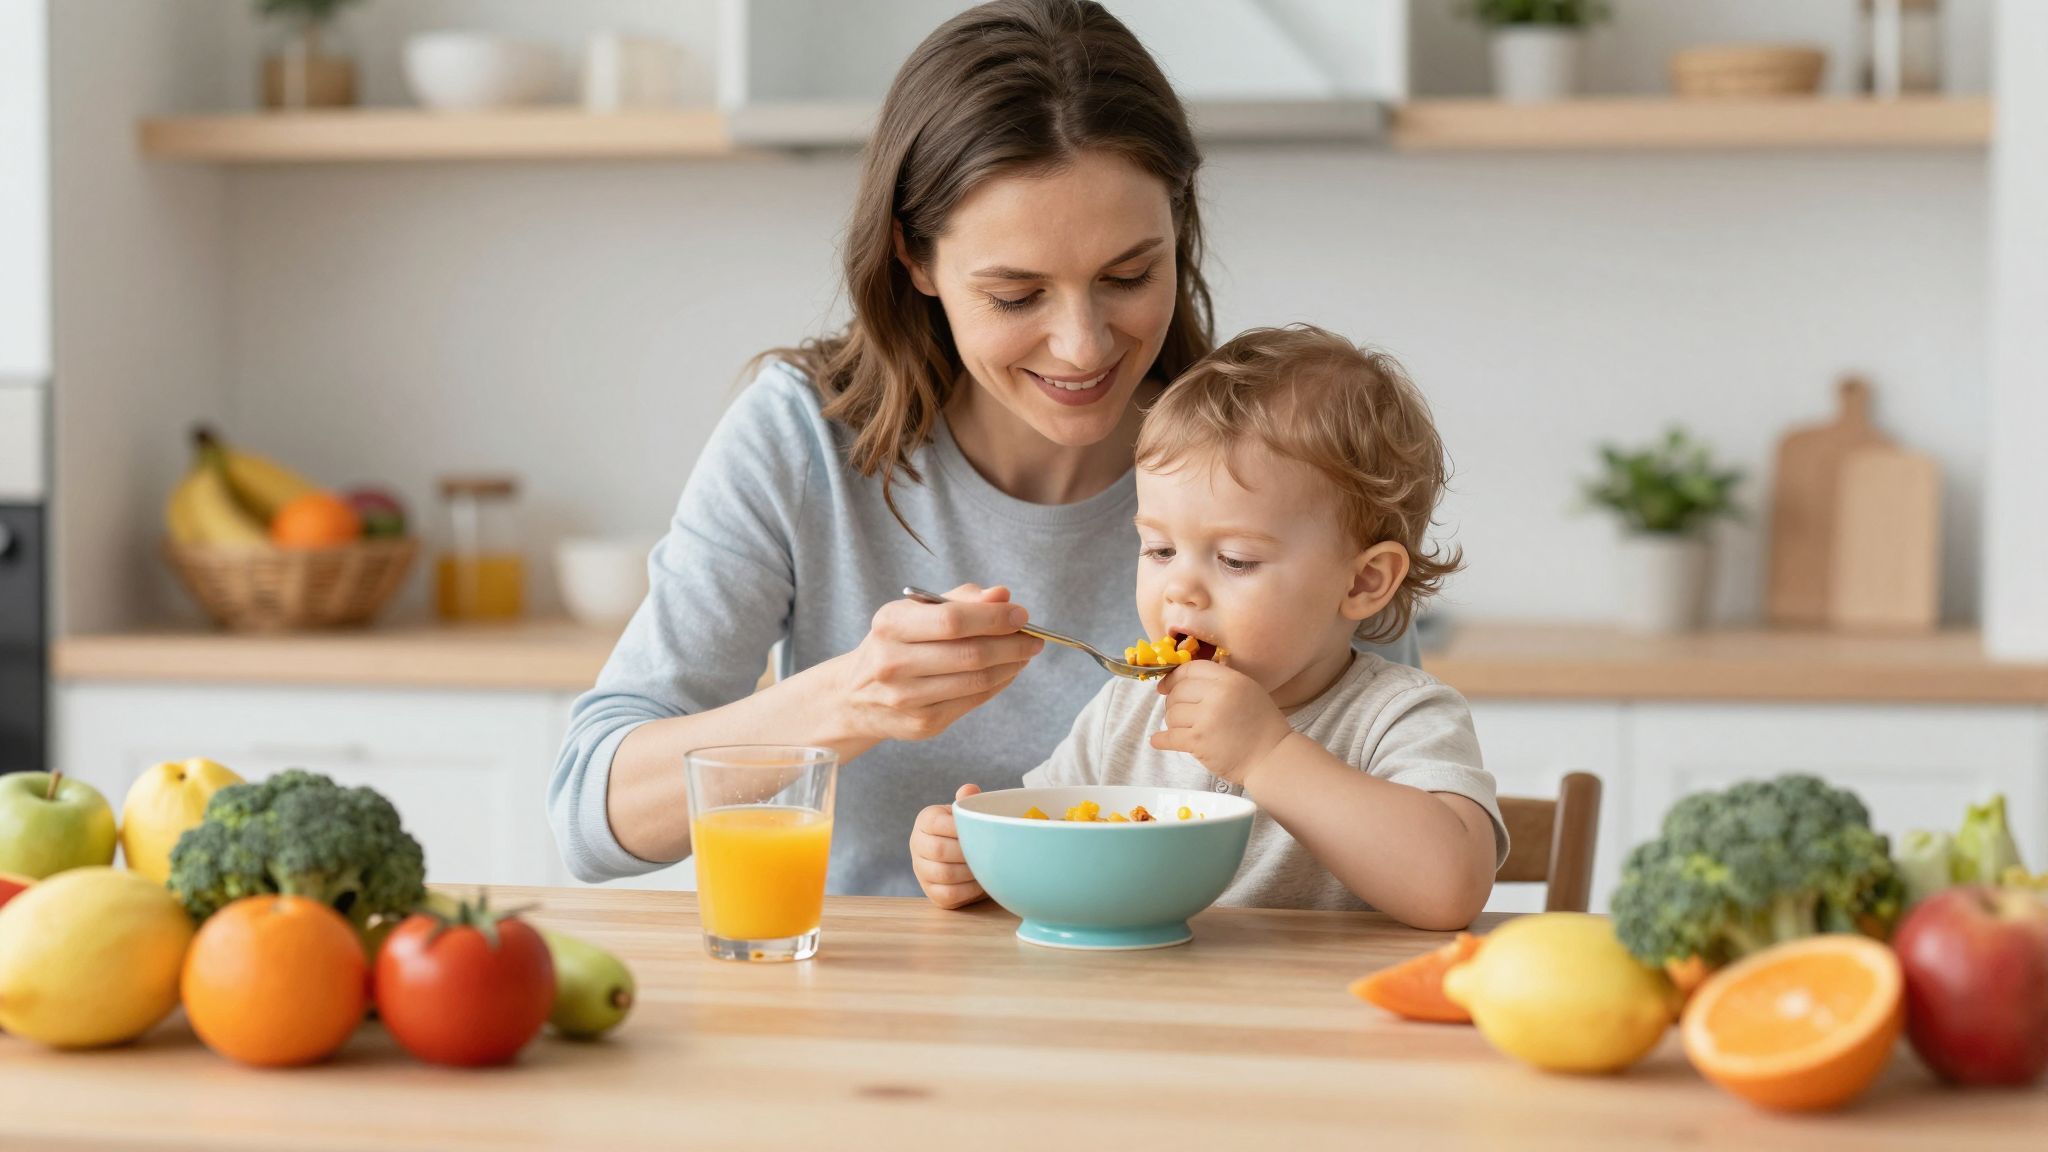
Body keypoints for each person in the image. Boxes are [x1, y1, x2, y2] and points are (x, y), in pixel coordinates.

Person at [548, 1, 1419, 896]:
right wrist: (850, 699)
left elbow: (1405, 822)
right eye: (1015, 295)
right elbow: (591, 819)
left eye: (1128, 276)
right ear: (914, 260)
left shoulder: (1268, 461)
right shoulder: (802, 438)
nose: (1083, 345)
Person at [909, 326, 1503, 929]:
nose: (1180, 589)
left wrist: (1267, 754)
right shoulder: (1124, 713)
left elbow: (1449, 891)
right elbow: (1055, 846)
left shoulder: (1398, 717)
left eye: (1236, 560)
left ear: (1363, 582)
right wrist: (978, 860)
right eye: (1160, 550)